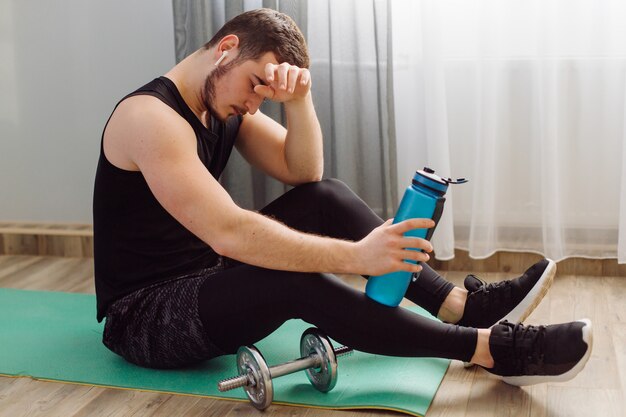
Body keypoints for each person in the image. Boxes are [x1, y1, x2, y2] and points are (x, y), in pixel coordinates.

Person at [93, 8, 592, 386]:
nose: (252, 102)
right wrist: (357, 255)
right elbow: (230, 232)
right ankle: (489, 349)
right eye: (253, 85)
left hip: (207, 278)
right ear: (226, 47)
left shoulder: (224, 103)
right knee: (293, 279)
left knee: (326, 197)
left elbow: (305, 173)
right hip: (148, 316)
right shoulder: (151, 119)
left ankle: (459, 305)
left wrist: (300, 102)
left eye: (264, 95)